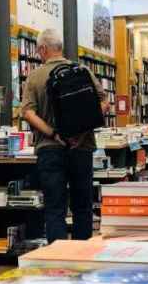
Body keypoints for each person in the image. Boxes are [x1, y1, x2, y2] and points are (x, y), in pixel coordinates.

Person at [21, 29, 107, 242]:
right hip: (83, 147)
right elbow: (104, 103)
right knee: (82, 205)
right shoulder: (83, 70)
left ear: (42, 49)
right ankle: (83, 255)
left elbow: (28, 113)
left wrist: (54, 134)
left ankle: (58, 259)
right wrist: (81, 131)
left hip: (50, 149)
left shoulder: (35, 76)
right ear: (60, 47)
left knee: (55, 207)